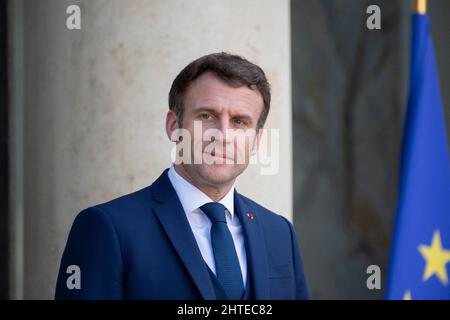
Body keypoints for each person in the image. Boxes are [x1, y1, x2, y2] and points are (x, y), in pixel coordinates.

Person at [55, 52, 309, 300]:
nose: (222, 135)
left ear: (256, 141)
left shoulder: (279, 233)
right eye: (206, 116)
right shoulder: (107, 228)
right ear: (173, 126)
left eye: (240, 122)